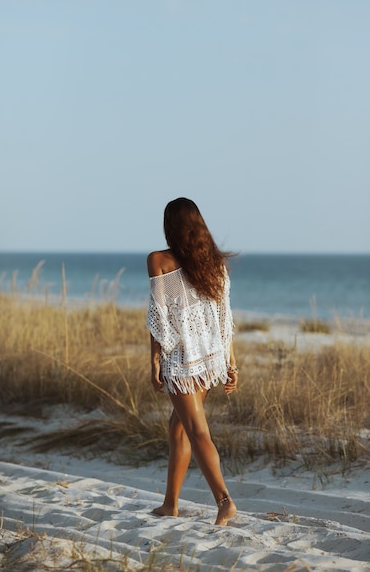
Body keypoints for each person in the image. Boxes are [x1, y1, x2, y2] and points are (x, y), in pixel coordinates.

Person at [146, 197, 238, 526]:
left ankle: (225, 501)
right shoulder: (213, 264)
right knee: (179, 429)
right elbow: (224, 319)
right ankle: (170, 504)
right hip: (210, 358)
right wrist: (230, 361)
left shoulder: (159, 260)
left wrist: (155, 360)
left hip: (184, 362)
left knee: (197, 431)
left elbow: (160, 317)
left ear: (170, 226)